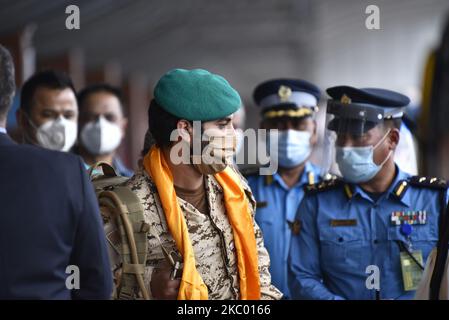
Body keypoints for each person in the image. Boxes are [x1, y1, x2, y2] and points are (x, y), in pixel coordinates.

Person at [123, 68, 282, 300]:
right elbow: (102, 287)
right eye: (222, 125)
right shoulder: (129, 207)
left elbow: (260, 271)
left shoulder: (232, 185)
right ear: (185, 130)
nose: (234, 135)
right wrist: (148, 289)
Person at [288, 85, 448, 300]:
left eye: (358, 136)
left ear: (392, 139)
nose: (345, 146)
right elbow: (302, 277)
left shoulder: (435, 200)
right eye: (341, 137)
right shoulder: (316, 203)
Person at [0, 45, 112, 299]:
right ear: (21, 115)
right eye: (48, 114)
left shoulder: (88, 175)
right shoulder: (70, 173)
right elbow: (97, 282)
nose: (60, 125)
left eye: (68, 115)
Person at [245, 79, 323, 298]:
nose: (288, 133)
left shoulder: (333, 191)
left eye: (298, 124)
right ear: (263, 131)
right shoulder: (242, 188)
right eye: (278, 125)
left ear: (314, 131)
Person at [76, 84, 133, 177]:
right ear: (78, 123)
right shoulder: (60, 174)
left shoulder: (132, 182)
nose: (100, 124)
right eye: (91, 118)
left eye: (109, 118)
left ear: (123, 127)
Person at [16, 70, 78, 152]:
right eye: (48, 115)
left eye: (68, 116)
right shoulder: (8, 163)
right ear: (22, 119)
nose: (62, 124)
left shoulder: (81, 164)